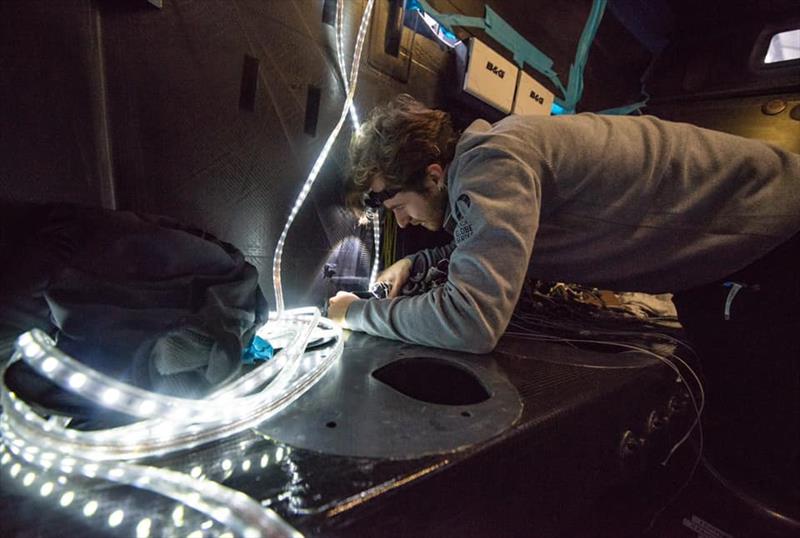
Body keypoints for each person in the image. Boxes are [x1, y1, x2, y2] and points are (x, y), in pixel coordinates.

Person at [327, 94, 800, 492]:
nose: (402, 221)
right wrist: (416, 262)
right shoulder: (494, 152)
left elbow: (470, 321)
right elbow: (486, 240)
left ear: (433, 175)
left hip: (775, 234)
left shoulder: (491, 162)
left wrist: (358, 313)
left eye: (398, 205)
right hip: (729, 249)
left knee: (760, 437)